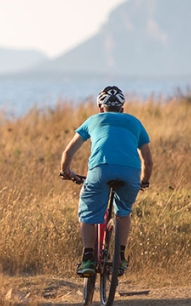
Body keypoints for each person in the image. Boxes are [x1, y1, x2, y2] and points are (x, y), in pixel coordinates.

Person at [60, 86, 153, 277]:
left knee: (88, 212)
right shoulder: (135, 122)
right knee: (123, 213)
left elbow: (68, 152)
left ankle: (88, 258)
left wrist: (66, 172)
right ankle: (119, 257)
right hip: (130, 173)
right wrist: (144, 181)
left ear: (100, 108)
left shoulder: (93, 120)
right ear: (122, 109)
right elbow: (148, 160)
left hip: (100, 170)